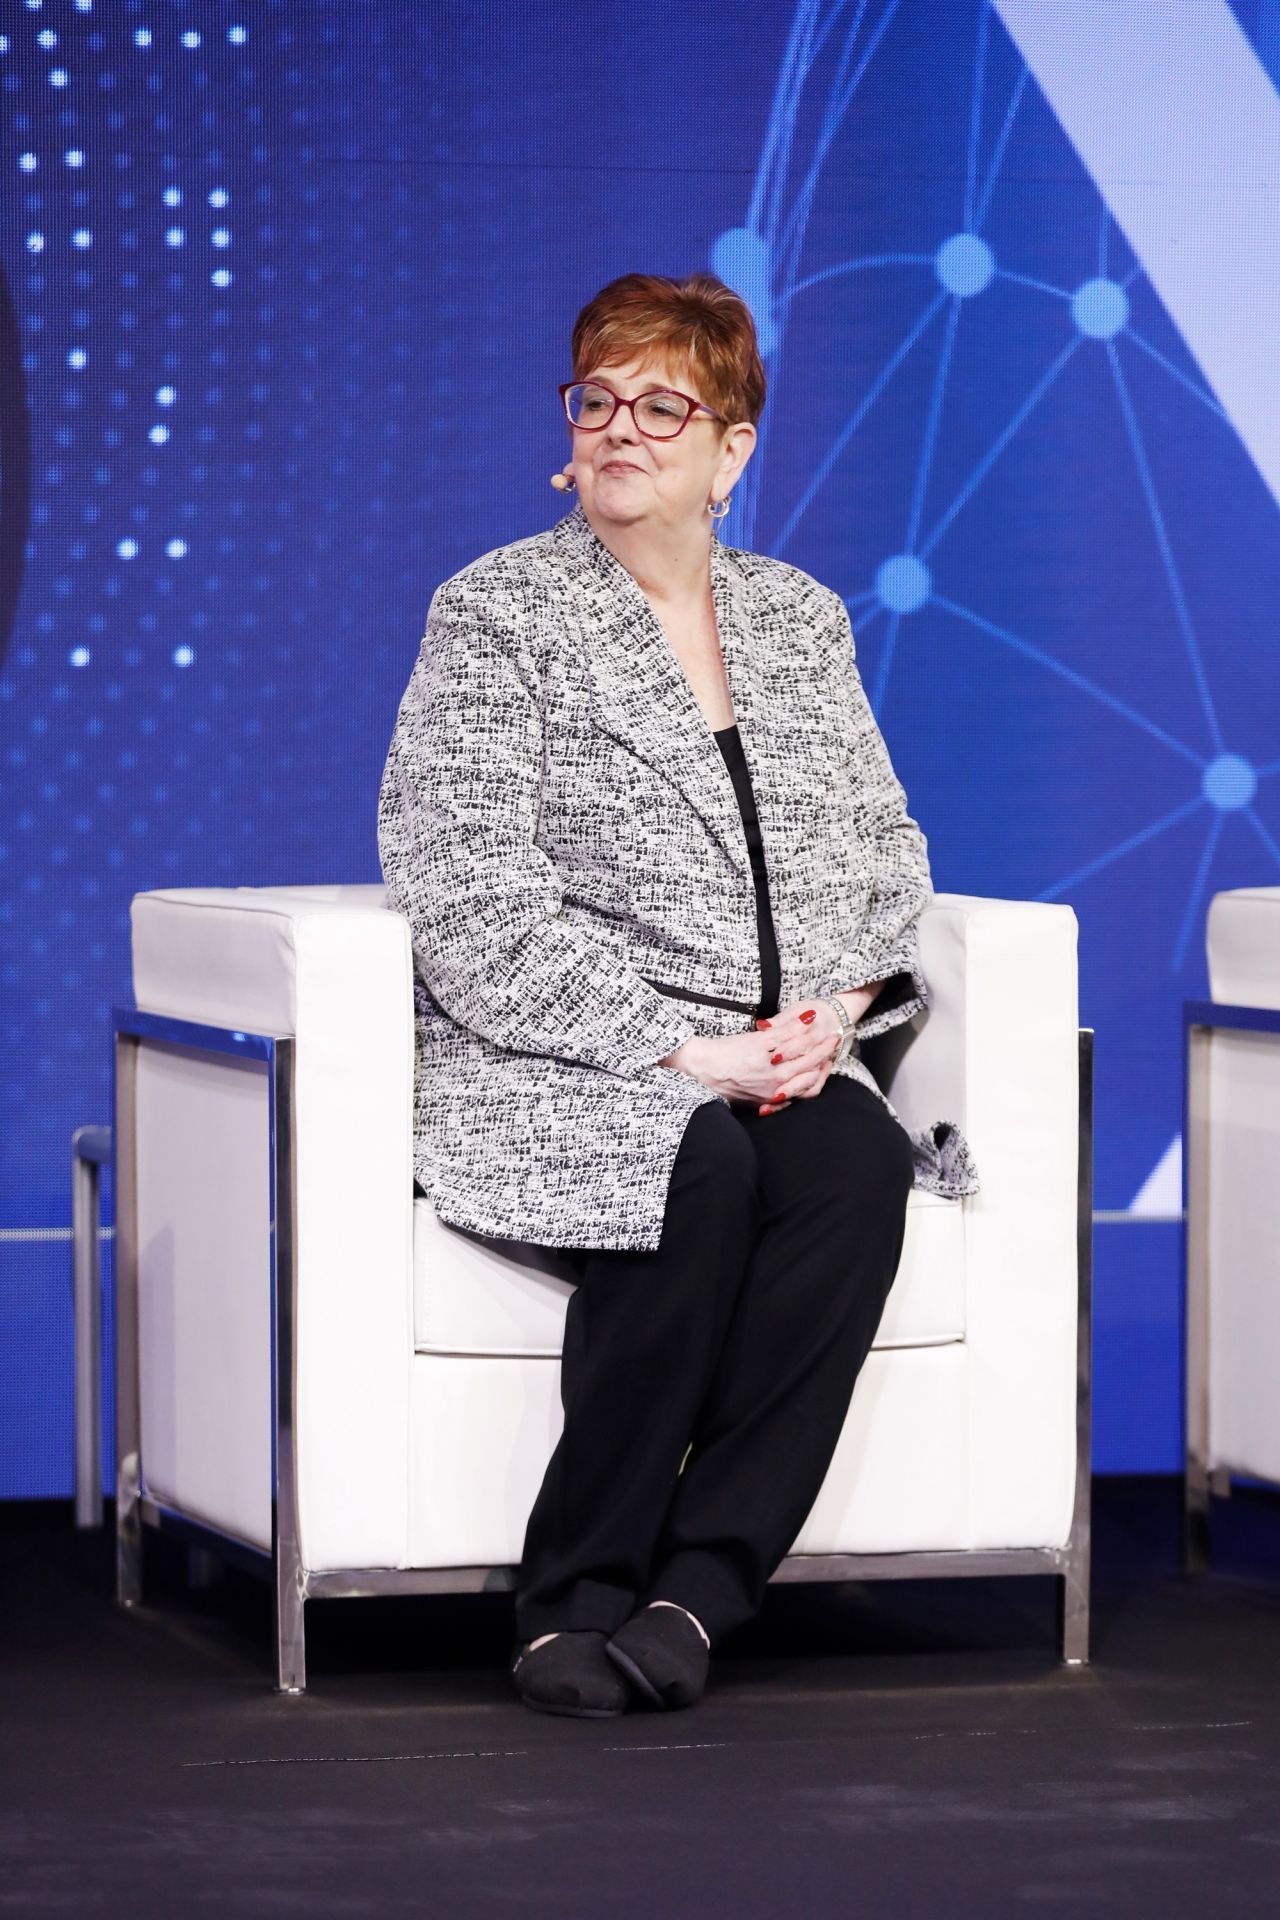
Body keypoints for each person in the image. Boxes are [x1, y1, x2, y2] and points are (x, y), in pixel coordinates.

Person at [378, 271, 976, 1719]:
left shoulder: (798, 619)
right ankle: (570, 1593)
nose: (623, 429)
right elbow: (464, 888)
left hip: (774, 1049)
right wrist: (676, 1048)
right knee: (689, 1165)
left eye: (664, 405)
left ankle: (701, 1591)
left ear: (735, 448)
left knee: (846, 1157)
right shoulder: (501, 612)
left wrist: (833, 1012)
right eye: (597, 400)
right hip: (558, 1056)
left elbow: (886, 846)